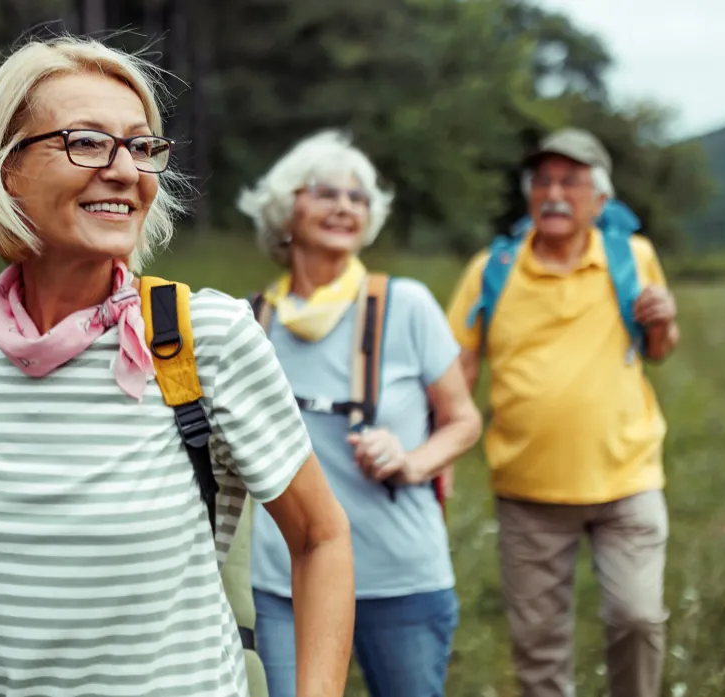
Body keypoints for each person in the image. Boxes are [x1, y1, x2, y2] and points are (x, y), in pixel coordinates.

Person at [0, 35, 357, 697]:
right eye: (86, 141)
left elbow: (320, 538)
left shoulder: (210, 337)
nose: (124, 170)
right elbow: (16, 532)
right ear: (4, 169)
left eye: (141, 147)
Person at [235, 129, 483, 697]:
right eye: (326, 192)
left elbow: (464, 420)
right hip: (283, 581)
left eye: (358, 197)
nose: (345, 206)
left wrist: (412, 460)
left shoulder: (407, 304)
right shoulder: (250, 321)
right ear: (285, 208)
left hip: (398, 576)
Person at [442, 128, 680, 697]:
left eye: (571, 182)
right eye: (543, 180)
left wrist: (665, 319)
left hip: (628, 479)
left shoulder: (633, 256)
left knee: (638, 617)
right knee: (539, 649)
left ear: (600, 200)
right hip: (529, 492)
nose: (554, 193)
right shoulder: (491, 269)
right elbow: (460, 371)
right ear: (528, 195)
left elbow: (659, 348)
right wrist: (441, 452)